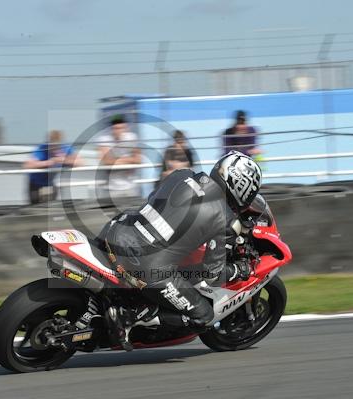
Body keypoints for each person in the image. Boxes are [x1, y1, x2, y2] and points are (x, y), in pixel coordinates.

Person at [98, 151, 262, 349]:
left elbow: (153, 199)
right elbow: (213, 275)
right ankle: (129, 317)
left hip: (115, 230)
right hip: (146, 267)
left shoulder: (182, 174)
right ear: (242, 188)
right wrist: (239, 270)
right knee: (205, 317)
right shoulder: (226, 221)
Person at [23, 130, 79, 204]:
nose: (55, 148)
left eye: (57, 146)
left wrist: (64, 160)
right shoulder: (42, 149)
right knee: (35, 209)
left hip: (50, 184)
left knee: (52, 208)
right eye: (52, 145)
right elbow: (27, 165)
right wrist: (49, 163)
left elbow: (79, 162)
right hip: (36, 184)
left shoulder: (65, 148)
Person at [96, 116, 141, 201]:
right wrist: (129, 159)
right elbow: (106, 161)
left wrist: (116, 160)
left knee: (133, 213)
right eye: (116, 128)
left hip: (130, 186)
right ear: (111, 129)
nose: (119, 131)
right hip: (111, 187)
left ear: (126, 128)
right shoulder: (104, 139)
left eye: (121, 128)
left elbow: (138, 160)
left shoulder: (131, 137)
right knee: (113, 214)